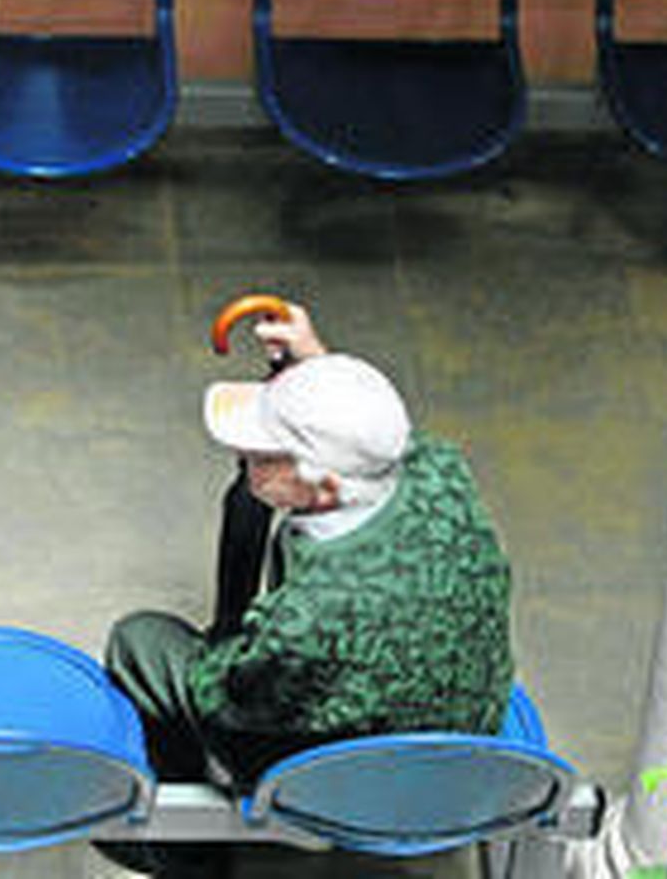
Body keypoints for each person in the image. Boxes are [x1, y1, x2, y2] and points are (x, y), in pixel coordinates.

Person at [106, 301, 513, 790]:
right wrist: (317, 371)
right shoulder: (441, 470)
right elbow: (374, 434)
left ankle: (182, 845)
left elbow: (229, 700)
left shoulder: (306, 619)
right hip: (466, 734)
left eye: (263, 457)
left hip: (357, 783)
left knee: (140, 641)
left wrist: (224, 650)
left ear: (327, 488)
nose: (243, 455)